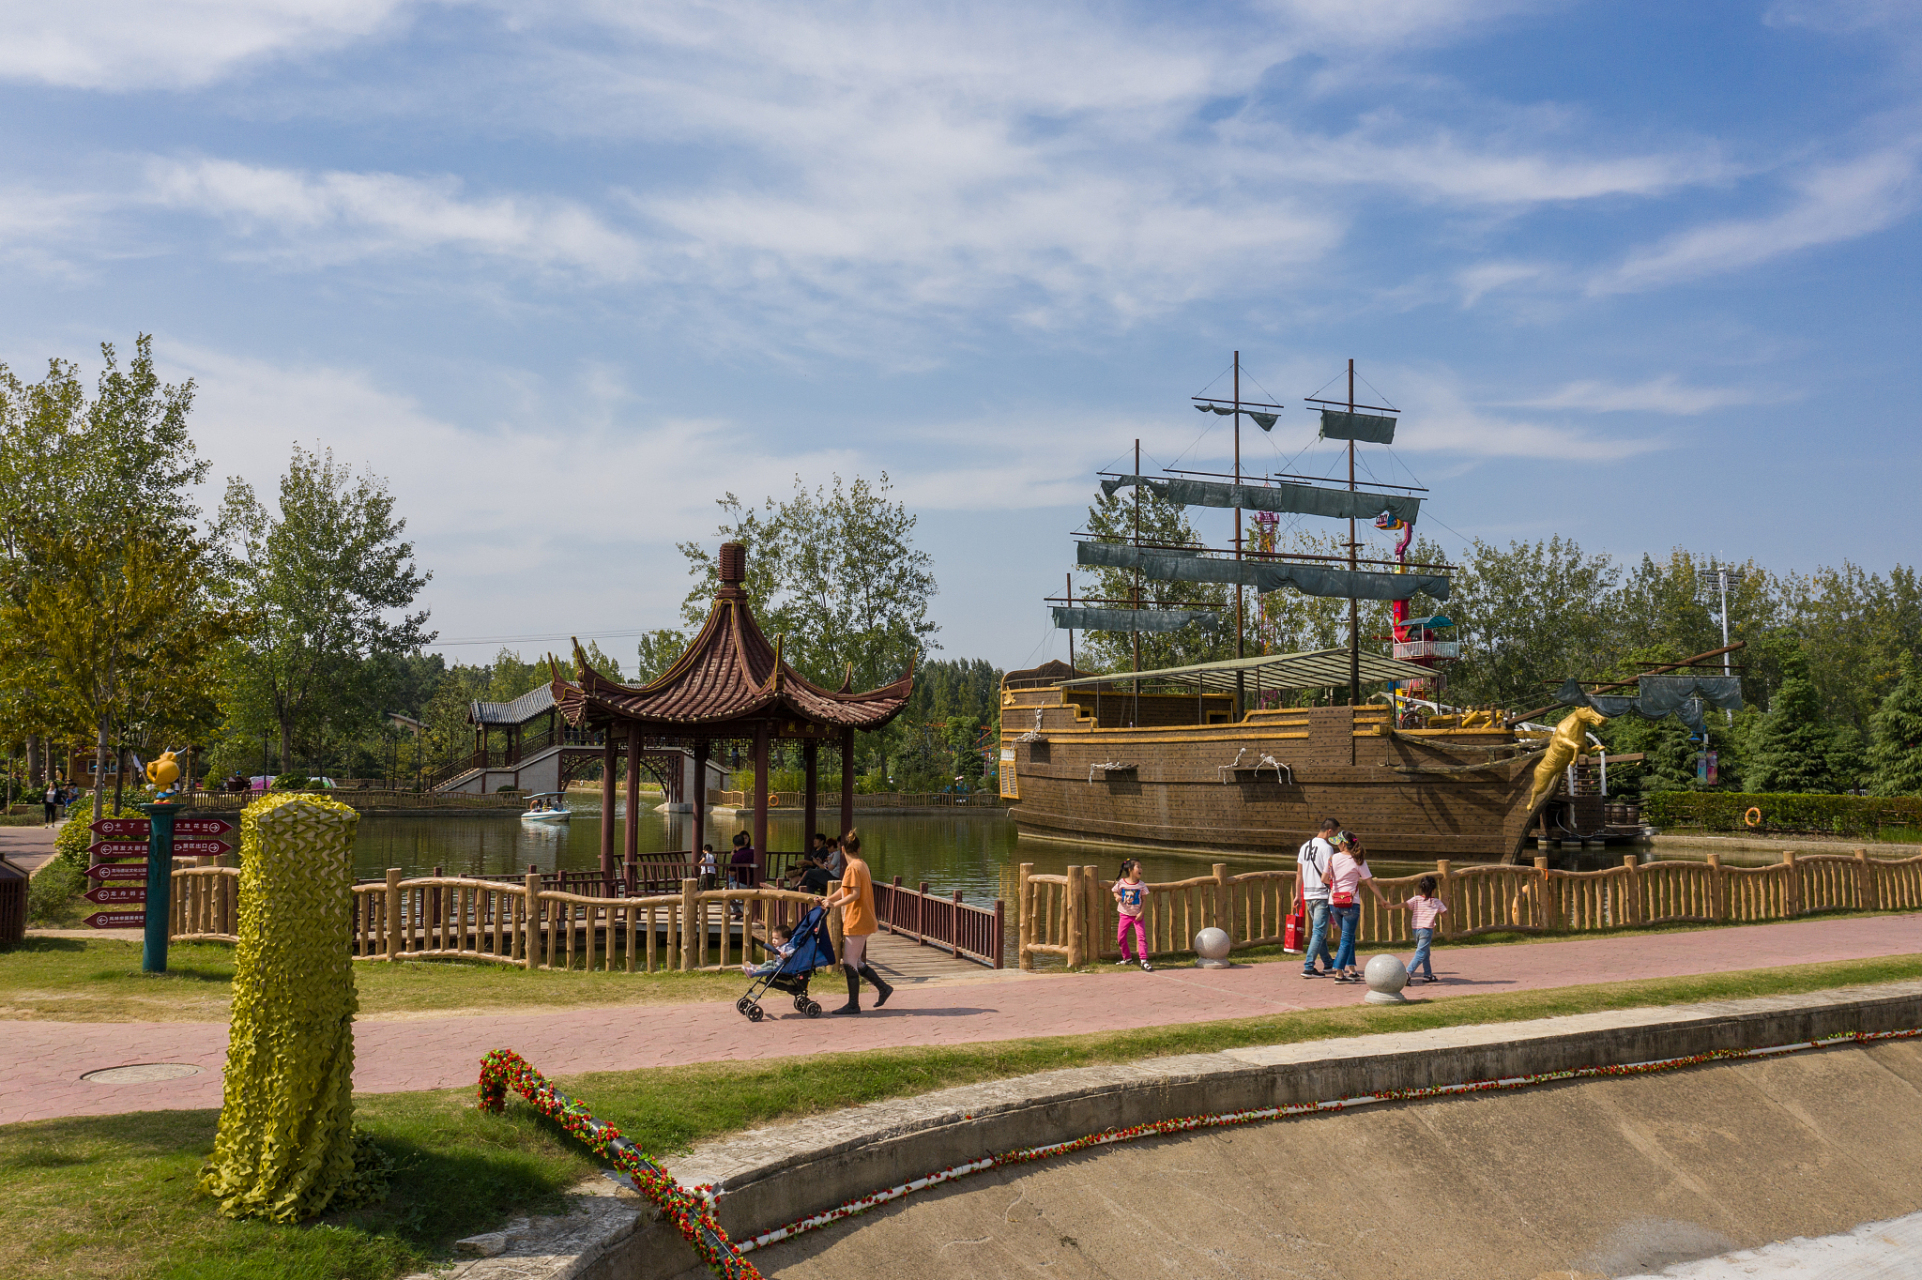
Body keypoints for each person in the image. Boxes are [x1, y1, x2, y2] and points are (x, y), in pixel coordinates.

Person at [819, 829, 892, 1014]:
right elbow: (845, 890)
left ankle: (853, 1004)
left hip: (857, 919)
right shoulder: (862, 865)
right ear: (859, 849)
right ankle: (883, 988)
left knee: (849, 961)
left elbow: (853, 894)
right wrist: (829, 900)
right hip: (864, 918)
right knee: (856, 961)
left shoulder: (852, 868)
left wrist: (833, 906)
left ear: (842, 849)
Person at [1327, 832, 1387, 983]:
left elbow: (1325, 878)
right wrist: (1382, 899)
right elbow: (1370, 883)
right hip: (1351, 903)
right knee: (1347, 938)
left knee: (1348, 936)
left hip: (1334, 903)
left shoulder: (1332, 858)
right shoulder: (1358, 860)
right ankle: (1339, 973)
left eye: (1338, 843)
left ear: (1342, 844)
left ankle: (1351, 969)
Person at [1297, 818, 1340, 979]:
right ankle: (1308, 967)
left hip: (1308, 894)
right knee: (1319, 931)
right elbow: (1328, 873)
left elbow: (1299, 874)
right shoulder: (1327, 848)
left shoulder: (1305, 847)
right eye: (1335, 833)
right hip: (1322, 894)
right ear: (1330, 831)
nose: (1335, 837)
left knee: (1319, 931)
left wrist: (1297, 895)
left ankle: (1328, 962)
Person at [1390, 875, 1448, 983]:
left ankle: (1427, 974)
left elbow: (1405, 904)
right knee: (1421, 953)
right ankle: (1407, 973)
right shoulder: (1436, 902)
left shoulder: (1416, 899)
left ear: (1421, 888)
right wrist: (1446, 903)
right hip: (1426, 930)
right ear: (1434, 889)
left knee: (1425, 952)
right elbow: (1445, 915)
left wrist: (1391, 907)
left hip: (1416, 929)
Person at [1112, 859, 1152, 971]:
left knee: (1141, 937)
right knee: (1120, 937)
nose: (1140, 869)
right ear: (1130, 870)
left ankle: (1143, 960)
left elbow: (1144, 900)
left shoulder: (1141, 885)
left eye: (1141, 867)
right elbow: (1115, 891)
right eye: (1138, 867)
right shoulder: (1122, 882)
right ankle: (1127, 958)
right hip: (1124, 915)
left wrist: (1141, 913)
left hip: (1137, 916)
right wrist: (1117, 897)